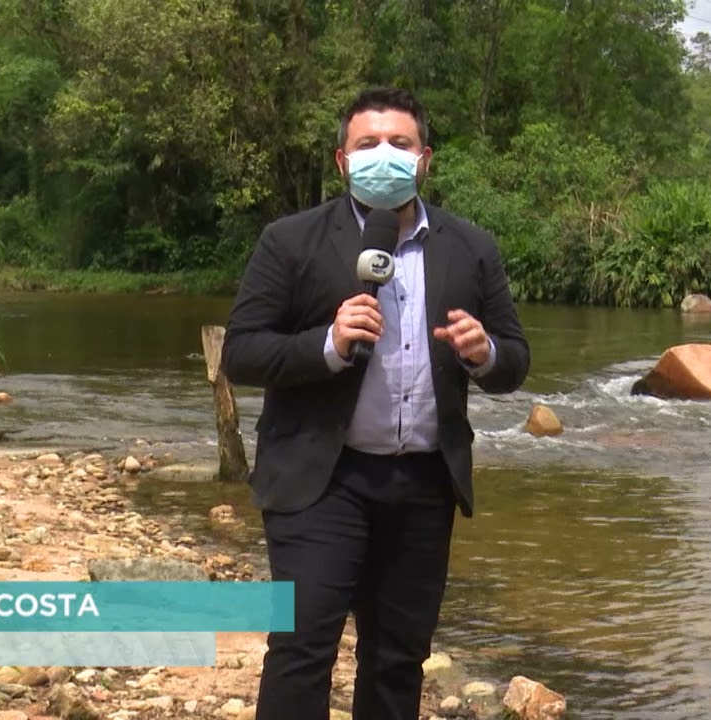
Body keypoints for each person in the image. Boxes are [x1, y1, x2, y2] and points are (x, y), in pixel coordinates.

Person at [222, 86, 530, 720]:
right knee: (302, 647)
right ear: (342, 161)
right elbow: (243, 354)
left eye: (400, 143)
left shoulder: (472, 247)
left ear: (425, 159)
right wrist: (328, 345)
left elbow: (515, 363)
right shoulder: (291, 241)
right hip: (319, 479)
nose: (384, 155)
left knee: (397, 658)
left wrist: (484, 352)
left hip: (423, 484)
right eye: (368, 145)